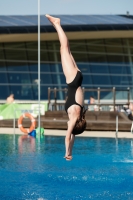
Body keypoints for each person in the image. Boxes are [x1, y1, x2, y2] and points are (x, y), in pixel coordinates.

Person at [45, 14, 87, 161]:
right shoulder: (74, 115)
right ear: (75, 125)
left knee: (67, 50)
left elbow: (72, 136)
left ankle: (57, 25)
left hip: (78, 78)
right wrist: (66, 153)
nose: (68, 126)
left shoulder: (78, 114)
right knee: (64, 49)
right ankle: (57, 24)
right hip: (72, 80)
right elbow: (68, 135)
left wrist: (71, 151)